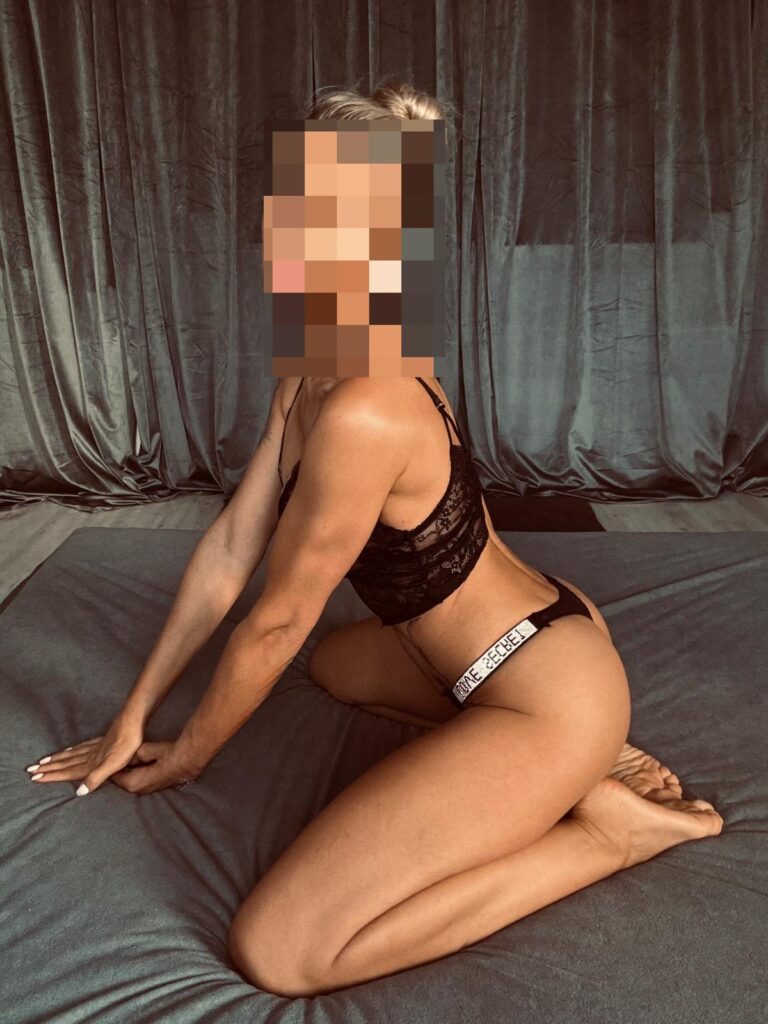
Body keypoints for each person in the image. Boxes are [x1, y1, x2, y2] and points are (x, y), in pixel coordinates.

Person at [25, 80, 723, 998]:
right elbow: (233, 547)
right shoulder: (315, 364)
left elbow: (277, 619)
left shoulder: (367, 406)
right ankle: (572, 763)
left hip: (543, 684)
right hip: (504, 639)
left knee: (282, 950)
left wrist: (190, 753)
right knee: (336, 665)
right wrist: (136, 712)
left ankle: (606, 829)